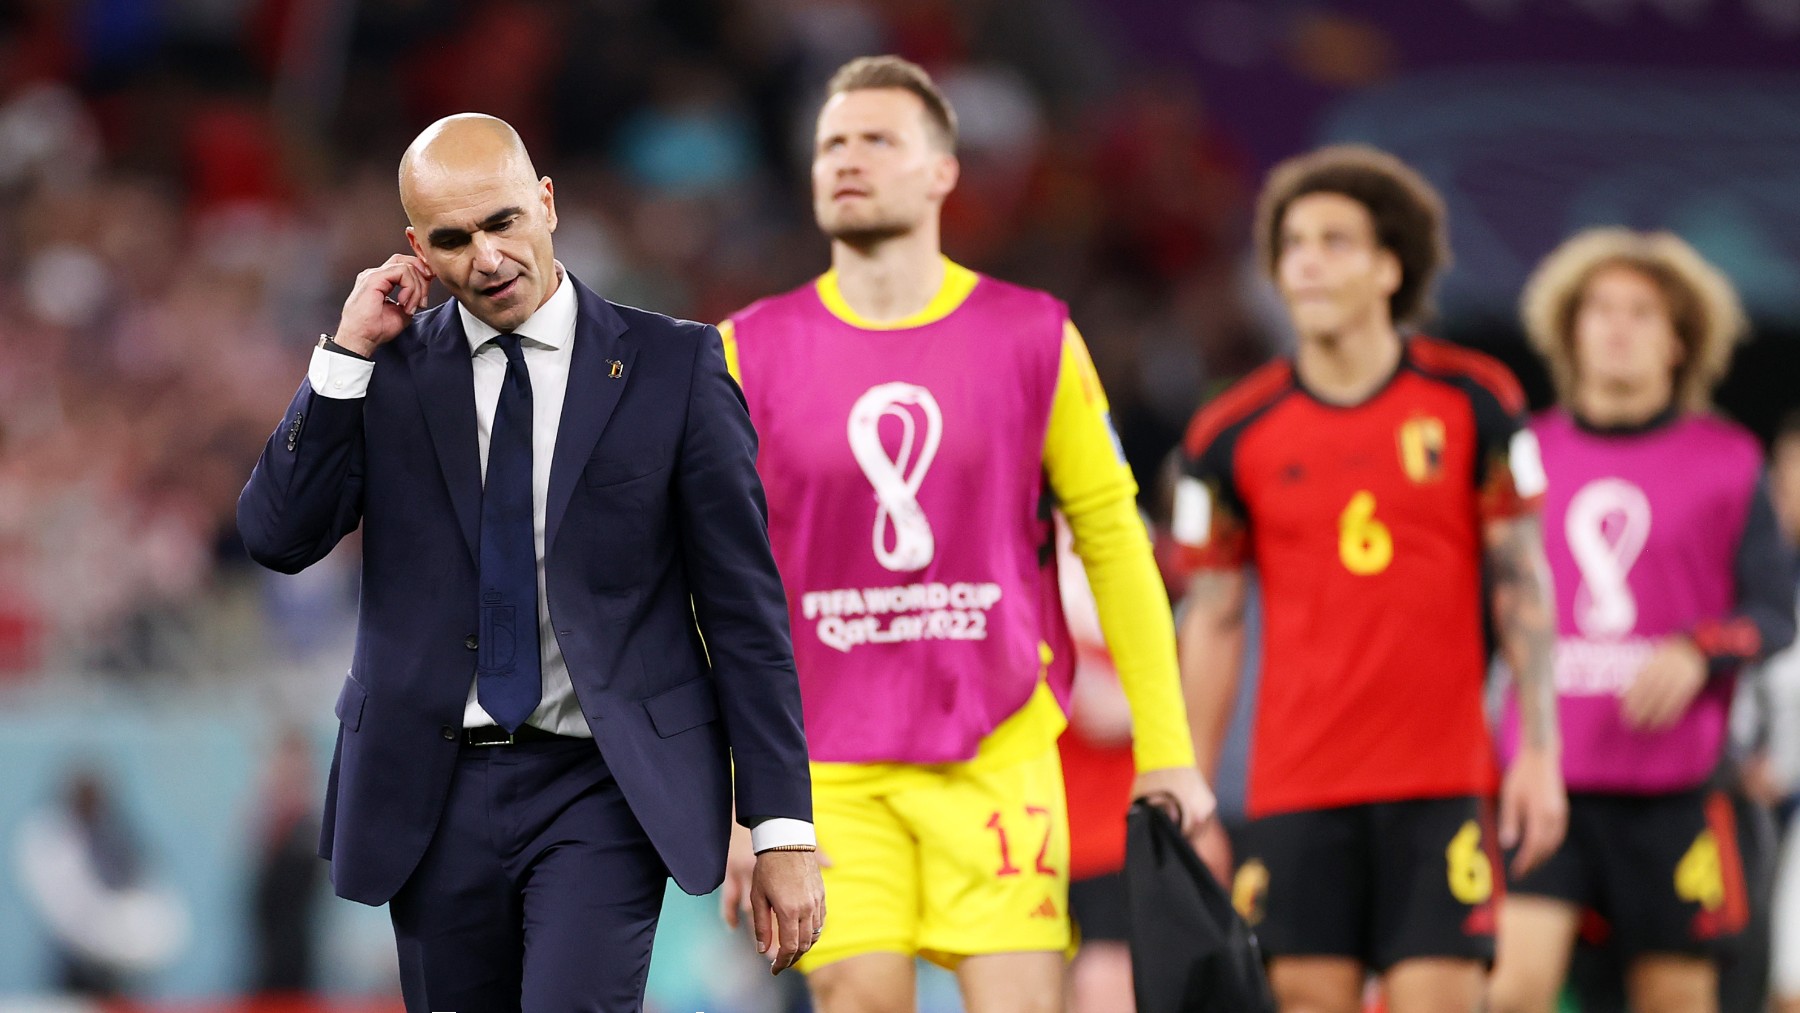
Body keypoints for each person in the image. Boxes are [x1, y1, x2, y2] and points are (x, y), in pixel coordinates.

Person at [236, 114, 823, 1012]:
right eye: (453, 238)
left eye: (503, 221)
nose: (486, 256)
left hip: (603, 783)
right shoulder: (387, 371)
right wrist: (346, 352)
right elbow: (277, 534)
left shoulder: (675, 367)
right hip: (429, 790)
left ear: (546, 202)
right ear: (416, 248)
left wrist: (780, 825)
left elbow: (745, 611)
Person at [715, 56, 1212, 1013]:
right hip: (825, 774)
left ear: (944, 172)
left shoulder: (1034, 337)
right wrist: (738, 794)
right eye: (830, 144)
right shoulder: (745, 350)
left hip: (995, 754)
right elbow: (716, 583)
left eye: (877, 139)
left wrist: (1169, 748)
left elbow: (1113, 541)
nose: (846, 158)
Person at [1172, 144, 1568, 1013]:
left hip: (1441, 782)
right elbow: (1214, 619)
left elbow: (1523, 583)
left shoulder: (1476, 399)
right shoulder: (1227, 433)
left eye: (1334, 240)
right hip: (1296, 786)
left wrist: (1540, 749)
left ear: (1392, 266)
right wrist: (1193, 786)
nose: (1306, 261)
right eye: (1292, 244)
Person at [1487, 229, 1797, 1013]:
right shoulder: (1525, 454)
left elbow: (1775, 606)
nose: (1618, 327)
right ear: (1570, 330)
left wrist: (1703, 649)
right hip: (1545, 780)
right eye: (1600, 309)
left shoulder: (1727, 459)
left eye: (1642, 313)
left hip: (1677, 786)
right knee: (1515, 991)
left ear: (1679, 342)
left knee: (1674, 999)